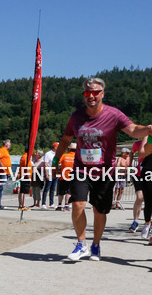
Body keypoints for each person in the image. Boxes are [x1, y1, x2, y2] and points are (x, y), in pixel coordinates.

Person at [53, 77, 152, 261]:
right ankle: (81, 244)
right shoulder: (76, 116)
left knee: (100, 211)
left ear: (102, 94)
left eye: (95, 92)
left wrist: (146, 129)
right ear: (84, 95)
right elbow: (66, 139)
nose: (91, 96)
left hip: (105, 171)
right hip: (81, 168)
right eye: (87, 93)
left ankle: (96, 245)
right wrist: (55, 160)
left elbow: (132, 130)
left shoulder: (113, 114)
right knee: (77, 204)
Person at [133, 136, 152, 240]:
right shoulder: (148, 136)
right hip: (149, 169)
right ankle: (147, 223)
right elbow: (140, 154)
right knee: (148, 200)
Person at [129, 138, 145, 233]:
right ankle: (135, 221)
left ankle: (148, 223)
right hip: (138, 174)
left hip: (149, 175)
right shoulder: (137, 144)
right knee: (139, 197)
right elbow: (131, 152)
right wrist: (130, 164)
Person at [56, 142, 76, 210]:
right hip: (72, 176)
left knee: (61, 192)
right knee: (69, 192)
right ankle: (66, 205)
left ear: (69, 149)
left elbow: (57, 162)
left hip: (63, 176)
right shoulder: (76, 157)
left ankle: (59, 205)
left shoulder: (64, 155)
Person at [40, 143, 59, 208]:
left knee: (53, 189)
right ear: (54, 147)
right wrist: (46, 174)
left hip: (55, 173)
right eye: (57, 147)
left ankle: (51, 203)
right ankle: (43, 203)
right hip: (49, 172)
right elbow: (45, 164)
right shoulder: (48, 154)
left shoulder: (57, 154)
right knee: (47, 188)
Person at [0, 140, 12, 209]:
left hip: (6, 172)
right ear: (6, 144)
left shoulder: (6, 151)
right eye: (9, 144)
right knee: (1, 188)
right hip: (2, 172)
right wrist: (2, 166)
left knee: (2, 187)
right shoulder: (2, 150)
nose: (10, 146)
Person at [18, 145, 31, 210]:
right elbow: (27, 167)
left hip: (22, 175)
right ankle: (23, 205)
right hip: (25, 176)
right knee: (24, 192)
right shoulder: (26, 157)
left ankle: (21, 205)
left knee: (21, 191)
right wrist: (29, 177)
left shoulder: (22, 156)